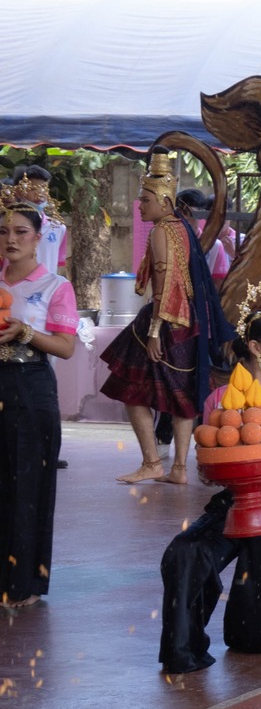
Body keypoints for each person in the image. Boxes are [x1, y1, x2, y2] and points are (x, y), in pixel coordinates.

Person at [159, 308, 261, 672]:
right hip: (230, 504)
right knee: (184, 553)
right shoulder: (219, 401)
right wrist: (210, 471)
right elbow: (209, 464)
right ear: (254, 346)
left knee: (251, 640)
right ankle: (183, 650)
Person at [100, 154, 230, 486]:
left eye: (145, 199)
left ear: (164, 201)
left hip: (164, 321)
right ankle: (180, 470)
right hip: (189, 321)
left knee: (131, 391)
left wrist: (156, 330)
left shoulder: (161, 232)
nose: (139, 206)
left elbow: (165, 285)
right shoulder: (182, 228)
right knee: (182, 397)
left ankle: (151, 462)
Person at [0, 188, 78, 606]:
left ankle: (25, 582)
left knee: (28, 485)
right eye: (3, 232)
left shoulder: (54, 286)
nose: (10, 239)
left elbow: (66, 347)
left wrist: (25, 332)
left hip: (30, 388)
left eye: (20, 232)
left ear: (38, 237)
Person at [12, 165, 70, 278]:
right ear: (18, 192)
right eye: (33, 189)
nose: (40, 194)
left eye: (43, 188)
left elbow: (57, 265)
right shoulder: (6, 226)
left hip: (46, 291)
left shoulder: (58, 228)